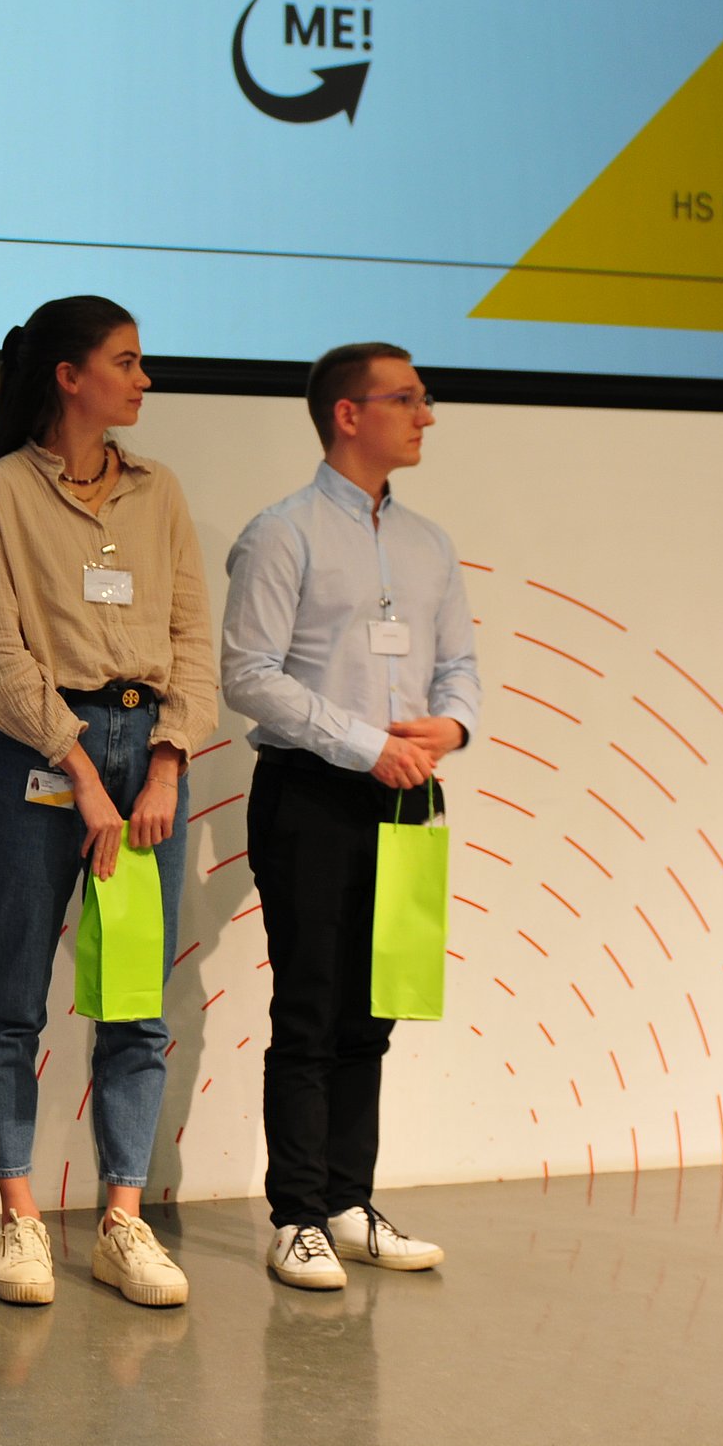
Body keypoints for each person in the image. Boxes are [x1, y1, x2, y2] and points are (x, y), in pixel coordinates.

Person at [0, 295, 215, 1309]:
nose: (144, 379)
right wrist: (83, 774)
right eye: (126, 360)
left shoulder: (159, 490)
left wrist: (166, 765)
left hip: (148, 754)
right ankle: (20, 1216)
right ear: (69, 375)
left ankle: (121, 1220)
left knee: (135, 1001)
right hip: (40, 754)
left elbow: (191, 639)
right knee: (13, 996)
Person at [221, 342, 480, 1291]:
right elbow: (248, 676)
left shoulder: (429, 543)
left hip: (407, 795)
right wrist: (365, 743)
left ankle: (348, 1201)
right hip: (312, 793)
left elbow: (460, 665)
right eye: (407, 398)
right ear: (348, 414)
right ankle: (296, 1216)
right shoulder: (281, 533)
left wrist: (452, 725)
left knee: (375, 1009)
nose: (426, 415)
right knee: (311, 1007)